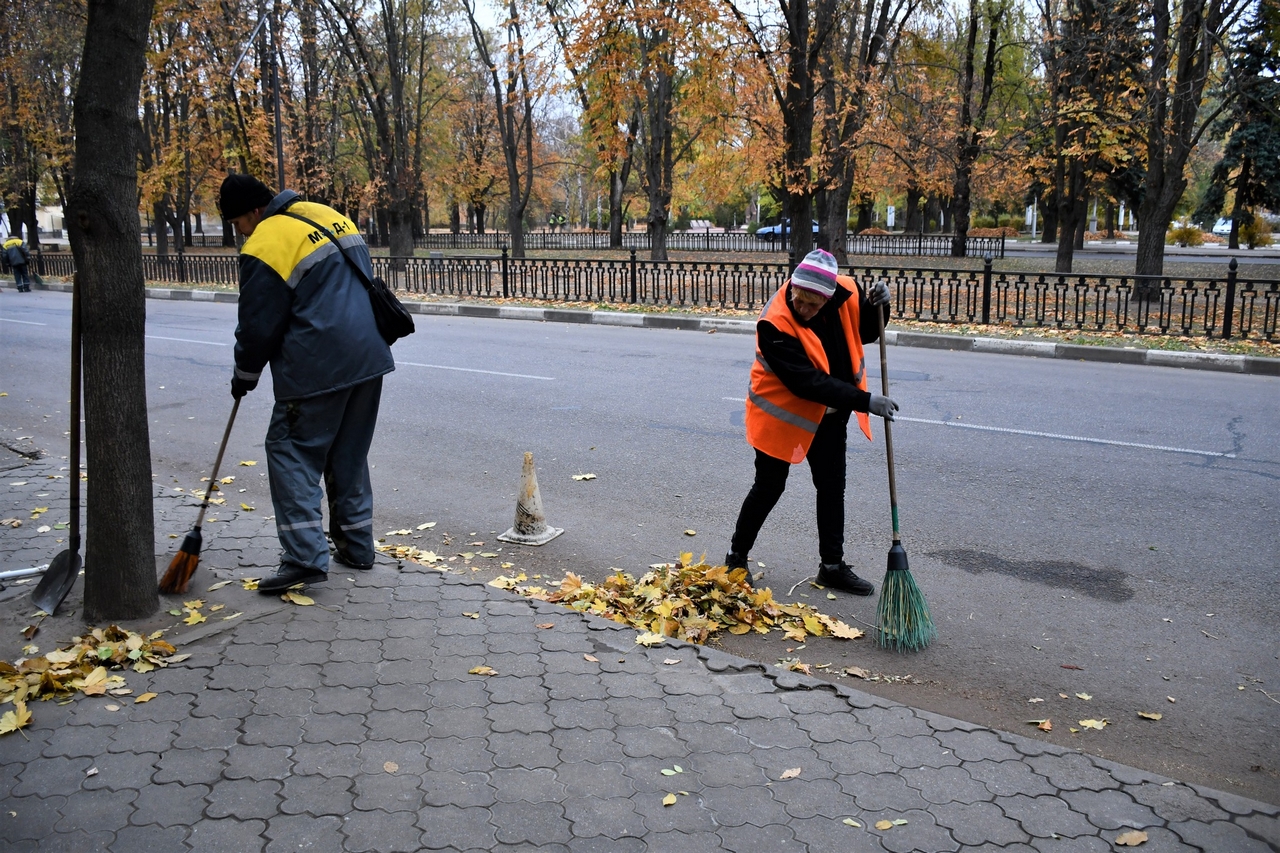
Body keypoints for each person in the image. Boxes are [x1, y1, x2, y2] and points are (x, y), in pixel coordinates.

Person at [219, 173, 395, 594]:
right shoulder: (331, 217)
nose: (239, 233)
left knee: (289, 450)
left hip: (318, 367)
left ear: (254, 212)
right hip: (369, 357)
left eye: (237, 223)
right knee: (347, 453)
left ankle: (303, 557)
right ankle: (357, 547)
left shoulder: (266, 242)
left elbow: (258, 324)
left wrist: (244, 375)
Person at [725, 248, 897, 596]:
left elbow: (866, 331)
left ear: (828, 298)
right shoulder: (774, 323)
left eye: (812, 306)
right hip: (780, 417)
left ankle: (831, 566)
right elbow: (807, 382)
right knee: (769, 487)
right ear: (793, 288)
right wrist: (865, 400)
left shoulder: (845, 292)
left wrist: (881, 306)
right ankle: (735, 559)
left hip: (831, 416)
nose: (803, 309)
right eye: (798, 300)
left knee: (833, 488)